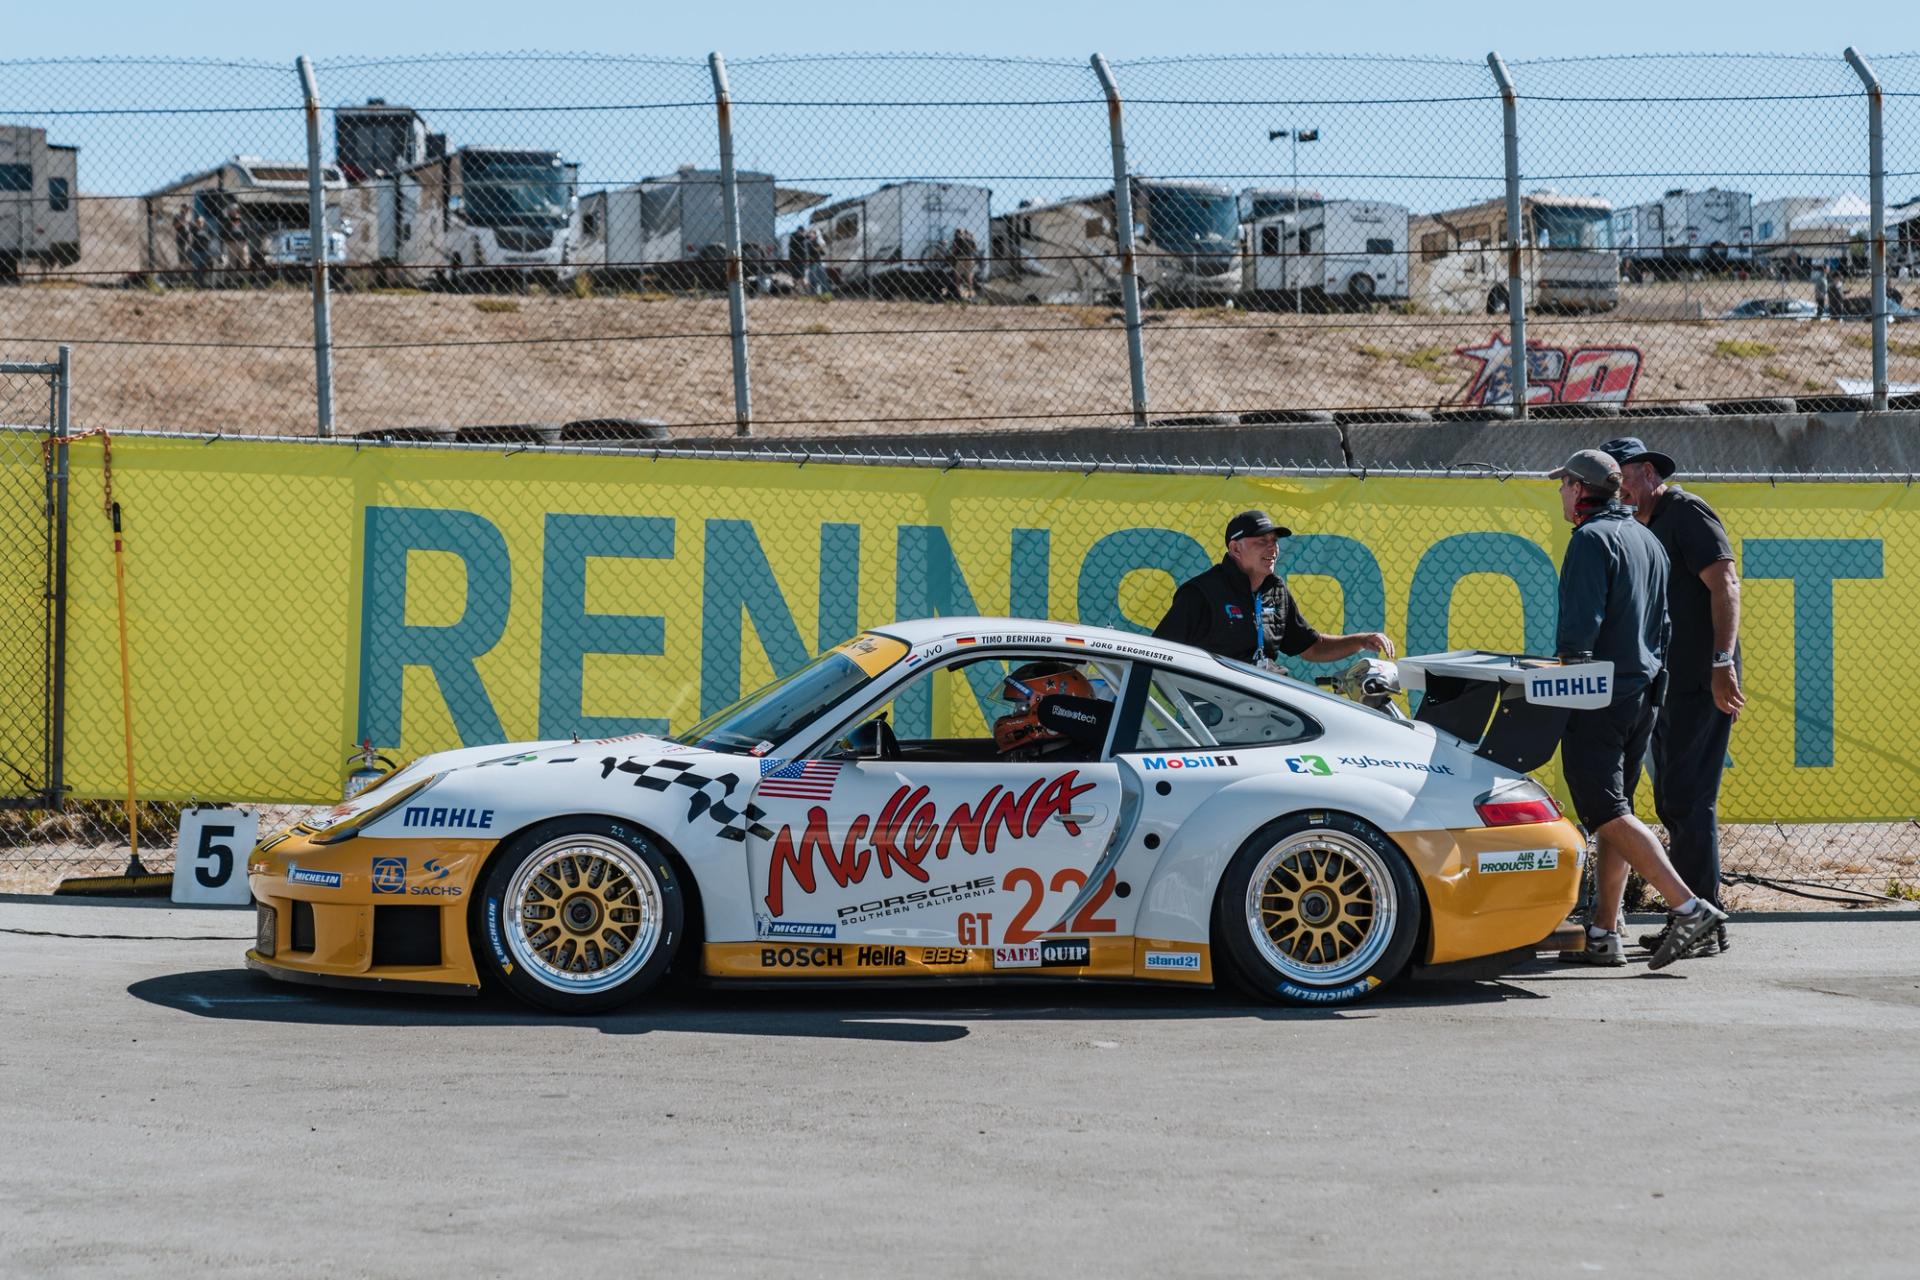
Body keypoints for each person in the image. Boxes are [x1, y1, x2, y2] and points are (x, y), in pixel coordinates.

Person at [1548, 449, 1727, 970]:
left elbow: (1580, 632)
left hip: (1601, 695)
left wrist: (1567, 680)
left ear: (1581, 491)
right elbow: (1664, 626)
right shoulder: (1645, 537)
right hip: (1645, 693)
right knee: (1617, 811)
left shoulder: (1590, 538)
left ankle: (1690, 907)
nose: (1560, 493)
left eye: (1563, 485)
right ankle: (1605, 930)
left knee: (1603, 810)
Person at [1602, 436, 1743, 958]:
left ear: (1642, 472)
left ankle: (1702, 919)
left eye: (1619, 476)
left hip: (1704, 679)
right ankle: (1691, 916)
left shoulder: (1683, 511)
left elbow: (1725, 582)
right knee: (1673, 800)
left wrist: (1722, 662)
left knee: (1688, 798)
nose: (1615, 488)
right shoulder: (1638, 525)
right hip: (1668, 682)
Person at [1153, 509, 1394, 668]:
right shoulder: (1201, 593)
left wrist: (1361, 641)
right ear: (1235, 549)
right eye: (1261, 542)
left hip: (1264, 700)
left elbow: (1311, 647)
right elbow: (1161, 653)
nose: (1273, 550)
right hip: (1212, 708)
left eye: (1274, 542)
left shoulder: (1276, 591)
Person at [947, 226, 979, 303]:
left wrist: (951, 255)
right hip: (970, 258)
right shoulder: (971, 238)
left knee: (957, 275)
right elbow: (975, 248)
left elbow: (954, 250)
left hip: (961, 258)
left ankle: (958, 293)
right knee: (969, 276)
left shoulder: (958, 238)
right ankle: (971, 294)